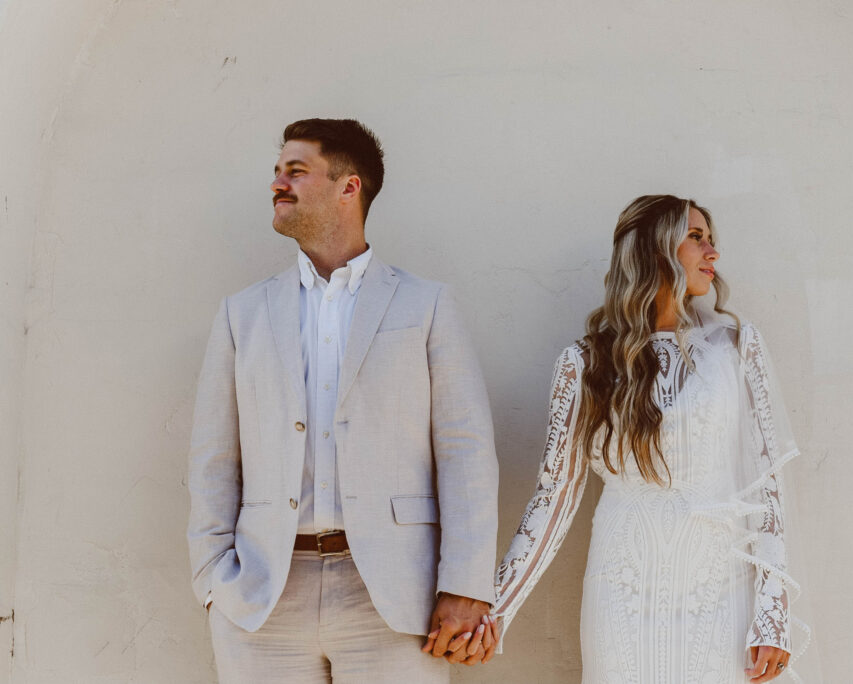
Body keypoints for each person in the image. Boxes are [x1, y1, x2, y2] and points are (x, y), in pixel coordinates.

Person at [186, 118, 499, 683]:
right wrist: (212, 579)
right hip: (263, 595)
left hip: (395, 596)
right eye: (277, 172)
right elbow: (214, 459)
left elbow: (465, 451)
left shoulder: (425, 306)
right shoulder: (242, 314)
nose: (278, 183)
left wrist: (466, 585)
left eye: (296, 171)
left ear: (349, 186)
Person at [486, 196, 808, 682]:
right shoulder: (586, 363)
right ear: (654, 251)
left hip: (719, 584)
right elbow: (554, 496)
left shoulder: (738, 348)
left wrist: (773, 609)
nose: (712, 253)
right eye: (695, 238)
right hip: (621, 587)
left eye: (711, 239)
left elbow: (768, 490)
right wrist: (494, 610)